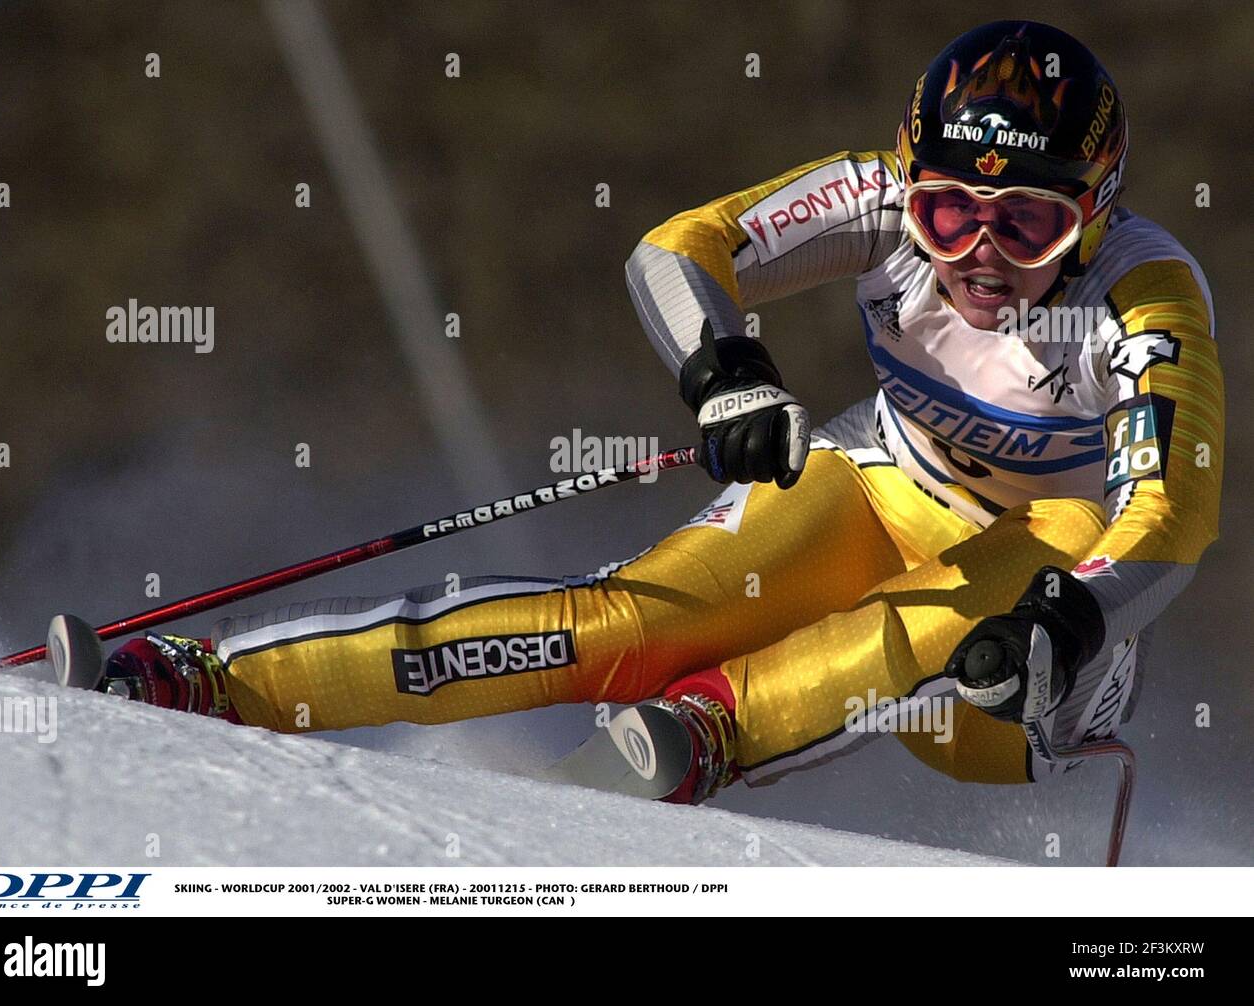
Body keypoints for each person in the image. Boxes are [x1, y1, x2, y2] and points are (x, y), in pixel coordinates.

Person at [100, 21, 1221, 805]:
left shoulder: (1146, 295)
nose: (977, 254)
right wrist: (725, 370)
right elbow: (683, 246)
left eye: (1025, 226)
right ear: (905, 180)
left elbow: (1169, 514)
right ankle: (208, 680)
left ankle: (705, 735)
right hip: (886, 478)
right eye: (943, 210)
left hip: (1049, 610)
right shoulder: (872, 200)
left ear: (1096, 208)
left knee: (931, 626)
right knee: (625, 625)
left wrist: (1070, 623)